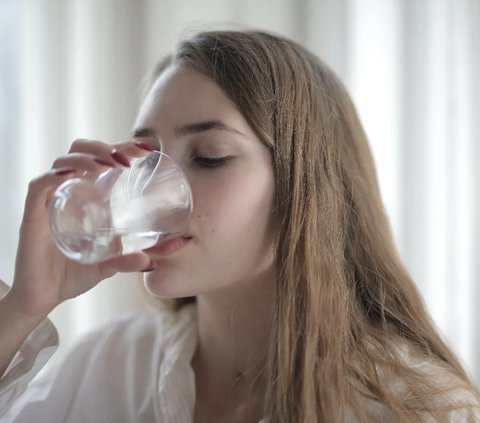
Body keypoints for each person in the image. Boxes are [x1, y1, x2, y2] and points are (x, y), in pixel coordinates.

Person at [0, 29, 479, 423]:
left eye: (210, 157)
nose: (152, 193)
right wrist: (20, 310)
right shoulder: (109, 367)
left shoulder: (418, 410)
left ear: (304, 187)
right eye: (146, 161)